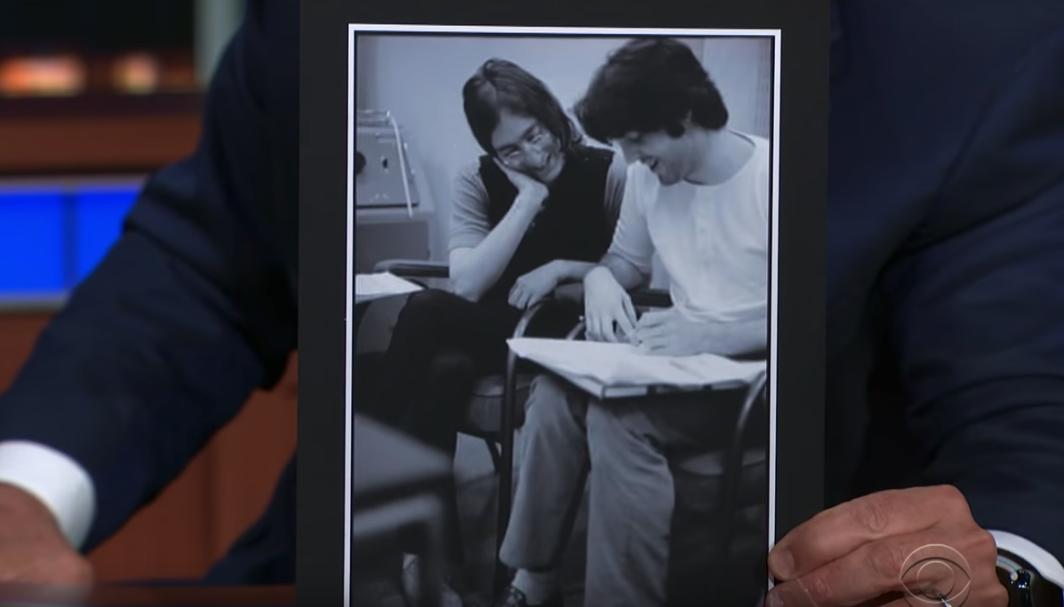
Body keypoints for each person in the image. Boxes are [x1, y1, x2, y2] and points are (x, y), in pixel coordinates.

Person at [0, 3, 1059, 607]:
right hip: (339, 548)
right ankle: (515, 580)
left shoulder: (969, 50)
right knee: (508, 371)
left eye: (544, 141)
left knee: (566, 398)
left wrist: (1008, 563)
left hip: (787, 539)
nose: (627, 162)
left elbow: (1023, 434)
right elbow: (203, 261)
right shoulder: (607, 174)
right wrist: (24, 489)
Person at [490, 37, 770, 607]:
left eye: (637, 142)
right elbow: (625, 265)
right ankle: (535, 578)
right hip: (681, 361)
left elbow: (819, 316)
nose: (631, 159)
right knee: (551, 395)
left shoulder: (774, 178)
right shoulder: (647, 179)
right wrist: (597, 277)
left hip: (758, 378)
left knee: (619, 418)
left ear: (686, 118)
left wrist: (716, 335)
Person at [354, 57, 626, 606]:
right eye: (511, 150)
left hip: (566, 336)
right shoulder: (478, 179)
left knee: (424, 318)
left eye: (536, 134)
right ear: (492, 150)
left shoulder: (607, 170)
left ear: (552, 114)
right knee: (444, 366)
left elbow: (626, 273)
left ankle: (357, 462)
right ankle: (428, 559)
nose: (533, 154)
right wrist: (527, 201)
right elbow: (469, 284)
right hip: (493, 333)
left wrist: (563, 270)